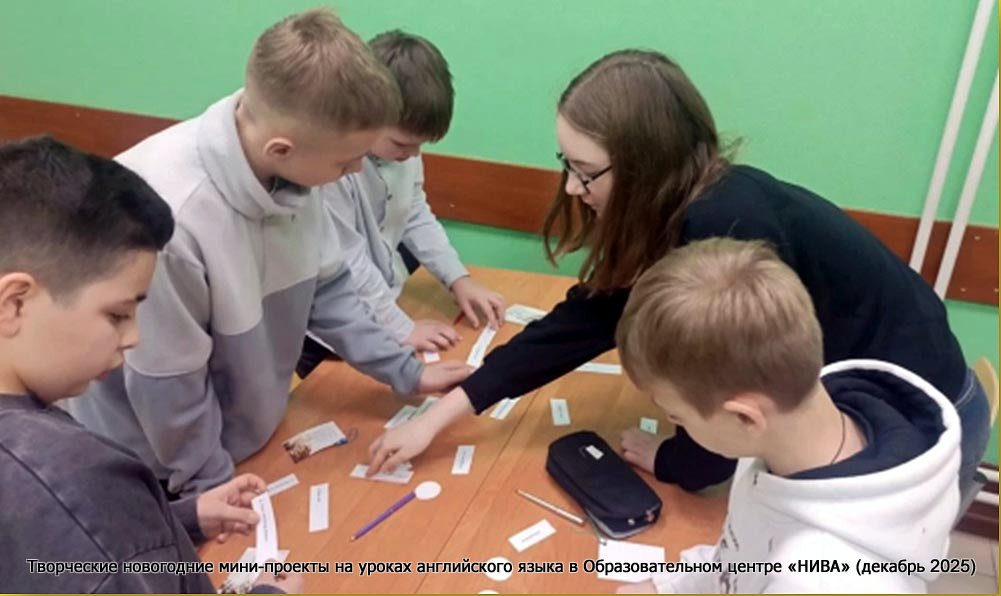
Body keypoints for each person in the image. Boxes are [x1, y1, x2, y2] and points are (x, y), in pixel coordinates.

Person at [367, 50, 988, 501]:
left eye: (585, 170)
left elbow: (730, 384)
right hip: (870, 403)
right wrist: (443, 413)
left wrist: (677, 461)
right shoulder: (688, 205)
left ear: (645, 166)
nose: (572, 187)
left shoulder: (724, 228)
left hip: (917, 424)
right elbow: (591, 315)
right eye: (566, 164)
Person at [68, 8, 471, 498]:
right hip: (158, 470)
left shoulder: (298, 165)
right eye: (346, 161)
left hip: (239, 444)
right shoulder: (170, 218)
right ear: (281, 149)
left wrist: (406, 371)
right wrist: (210, 484)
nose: (354, 172)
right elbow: (168, 387)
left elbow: (330, 291)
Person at [0, 136, 300, 593]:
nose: (133, 338)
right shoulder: (72, 474)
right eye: (117, 314)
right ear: (14, 303)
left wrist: (174, 521)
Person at [613, 238, 959, 593]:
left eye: (677, 416)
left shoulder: (819, 579)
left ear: (745, 418)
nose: (677, 425)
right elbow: (738, 560)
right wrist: (667, 586)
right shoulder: (785, 431)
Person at [297, 29, 505, 378]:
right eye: (402, 144)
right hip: (327, 332)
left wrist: (458, 278)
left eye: (420, 145)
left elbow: (415, 213)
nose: (413, 155)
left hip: (382, 309)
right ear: (365, 116)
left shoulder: (403, 155)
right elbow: (347, 259)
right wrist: (400, 327)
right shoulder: (330, 169)